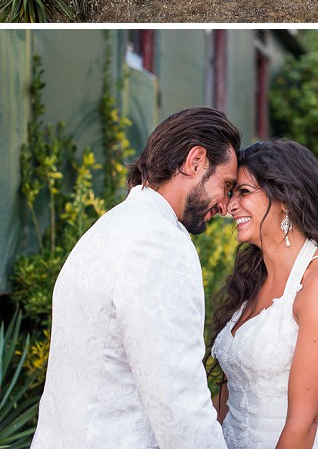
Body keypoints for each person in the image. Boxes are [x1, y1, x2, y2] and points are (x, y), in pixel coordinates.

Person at [32, 106, 241, 449]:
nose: (225, 205)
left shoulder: (107, 228)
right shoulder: (160, 243)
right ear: (195, 160)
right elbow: (176, 397)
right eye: (226, 185)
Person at [212, 139, 318, 449]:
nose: (229, 206)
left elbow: (303, 425)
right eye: (230, 193)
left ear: (285, 198)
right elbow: (229, 396)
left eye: (243, 192)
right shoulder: (251, 282)